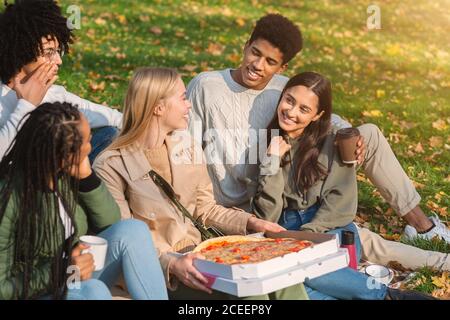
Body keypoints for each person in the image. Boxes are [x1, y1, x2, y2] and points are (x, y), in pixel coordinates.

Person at [187, 13, 449, 243]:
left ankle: (421, 227)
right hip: (244, 206)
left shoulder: (282, 87)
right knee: (357, 242)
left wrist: (350, 135)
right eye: (255, 53)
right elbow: (182, 146)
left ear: (282, 67)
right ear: (246, 46)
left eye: (270, 61)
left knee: (367, 133)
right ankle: (339, 235)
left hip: (285, 185)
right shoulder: (206, 86)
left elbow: (322, 114)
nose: (258, 65)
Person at [93, 67, 308, 300]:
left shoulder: (187, 147)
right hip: (161, 272)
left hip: (201, 253)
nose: (189, 105)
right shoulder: (111, 164)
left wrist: (253, 223)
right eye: (183, 98)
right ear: (158, 107)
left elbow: (205, 208)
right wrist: (171, 264)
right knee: (251, 291)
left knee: (283, 273)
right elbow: (128, 240)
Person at [252, 71, 435, 300]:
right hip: (287, 228)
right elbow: (267, 216)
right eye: (289, 100)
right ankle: (388, 296)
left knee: (303, 274)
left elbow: (340, 206)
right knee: (301, 290)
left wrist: (306, 238)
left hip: (332, 229)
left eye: (304, 109)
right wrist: (271, 163)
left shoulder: (336, 141)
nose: (291, 111)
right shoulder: (269, 143)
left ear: (318, 115)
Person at [0, 102, 168, 300]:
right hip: (36, 291)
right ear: (64, 155)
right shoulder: (9, 198)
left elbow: (111, 222)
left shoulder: (66, 174)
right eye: (88, 140)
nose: (92, 144)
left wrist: (87, 178)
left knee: (133, 230)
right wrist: (59, 271)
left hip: (74, 273)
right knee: (94, 291)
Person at [0, 0, 122, 163]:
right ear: (21, 52)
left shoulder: (51, 93)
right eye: (49, 52)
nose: (58, 61)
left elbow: (106, 116)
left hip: (58, 177)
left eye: (58, 51)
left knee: (110, 133)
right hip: (14, 183)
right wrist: (26, 104)